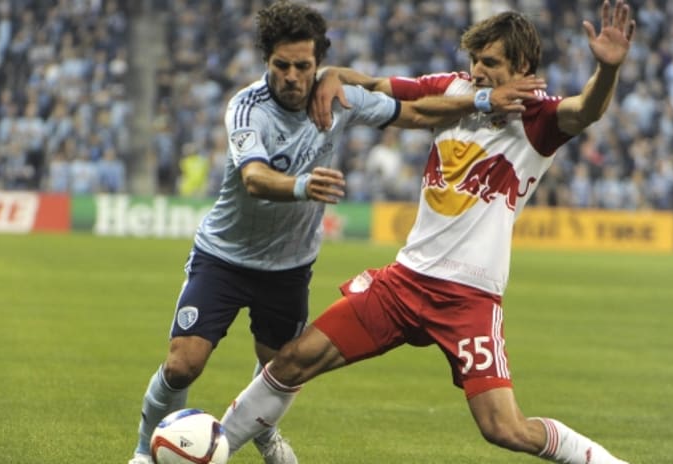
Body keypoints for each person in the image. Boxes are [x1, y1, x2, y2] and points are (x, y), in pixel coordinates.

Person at [217, 1, 637, 463]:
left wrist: (607, 72)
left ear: (520, 67)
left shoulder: (538, 119)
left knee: (504, 428)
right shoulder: (452, 91)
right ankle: (212, 450)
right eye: (474, 60)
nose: (476, 71)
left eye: (490, 63)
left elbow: (586, 110)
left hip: (469, 298)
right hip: (405, 281)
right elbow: (378, 86)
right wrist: (333, 72)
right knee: (293, 360)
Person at [127, 2, 546, 464]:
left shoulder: (339, 99)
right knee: (183, 363)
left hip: (288, 266)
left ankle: (262, 434)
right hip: (226, 255)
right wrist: (304, 185)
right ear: (267, 62)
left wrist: (482, 99)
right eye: (281, 65)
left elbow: (417, 113)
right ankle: (146, 452)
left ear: (317, 64)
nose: (291, 76)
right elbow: (254, 178)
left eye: (303, 67)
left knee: (278, 370)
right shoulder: (247, 108)